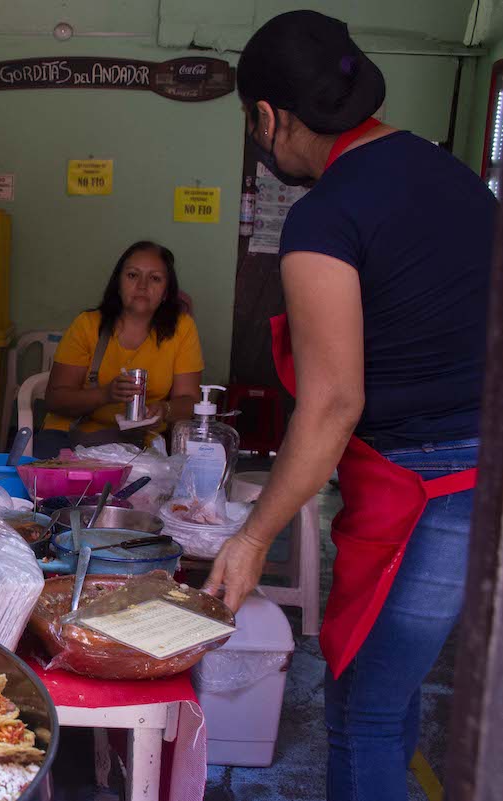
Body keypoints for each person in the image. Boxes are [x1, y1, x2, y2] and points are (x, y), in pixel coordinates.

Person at [204, 12, 493, 800]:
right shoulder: (452, 175)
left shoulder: (326, 216)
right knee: (385, 691)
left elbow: (331, 401)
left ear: (269, 117)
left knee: (360, 705)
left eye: (254, 125)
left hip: (429, 491)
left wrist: (254, 532)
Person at [35, 241, 204, 458]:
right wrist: (105, 394)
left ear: (166, 293)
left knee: (145, 485)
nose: (142, 286)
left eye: (155, 278)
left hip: (139, 443)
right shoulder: (87, 325)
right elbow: (55, 400)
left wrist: (164, 410)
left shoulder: (182, 329)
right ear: (118, 284)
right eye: (133, 275)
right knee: (52, 485)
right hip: (70, 436)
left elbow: (190, 401)